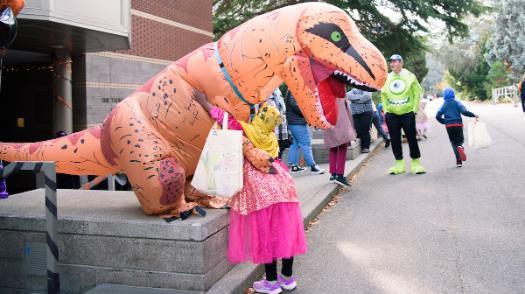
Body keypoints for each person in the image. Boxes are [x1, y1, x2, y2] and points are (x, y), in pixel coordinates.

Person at [192, 90, 307, 293]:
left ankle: (271, 283)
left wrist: (206, 103)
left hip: (261, 190)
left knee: (267, 236)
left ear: (259, 118)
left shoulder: (249, 131)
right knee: (285, 232)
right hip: (284, 186)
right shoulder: (271, 137)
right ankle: (287, 279)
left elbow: (226, 120)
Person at [381, 54, 426, 175]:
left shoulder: (410, 76)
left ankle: (415, 163)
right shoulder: (387, 77)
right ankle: (399, 164)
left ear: (401, 63)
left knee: (412, 138)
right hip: (392, 115)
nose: (392, 64)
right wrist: (386, 110)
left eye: (395, 61)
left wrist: (414, 109)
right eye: (391, 62)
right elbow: (383, 94)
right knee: (395, 139)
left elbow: (417, 93)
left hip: (407, 113)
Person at [319, 79, 356, 187]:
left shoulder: (323, 82)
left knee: (333, 146)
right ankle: (339, 175)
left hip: (329, 116)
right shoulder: (339, 82)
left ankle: (333, 174)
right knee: (342, 144)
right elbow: (344, 101)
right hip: (339, 115)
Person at [436, 87, 479, 167]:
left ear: (444, 95)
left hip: (449, 126)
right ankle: (461, 147)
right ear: (453, 94)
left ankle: (458, 161)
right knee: (460, 141)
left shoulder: (443, 105)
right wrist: (473, 115)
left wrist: (445, 122)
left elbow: (437, 116)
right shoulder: (457, 102)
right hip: (458, 124)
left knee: (453, 143)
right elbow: (464, 111)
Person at [284, 91, 325, 174]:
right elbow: (295, 105)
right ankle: (313, 166)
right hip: (298, 122)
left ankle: (294, 166)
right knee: (306, 143)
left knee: (295, 144)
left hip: (294, 121)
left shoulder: (292, 90)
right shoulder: (293, 90)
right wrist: (307, 111)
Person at [267, 88, 291, 159]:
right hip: (270, 124)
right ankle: (273, 165)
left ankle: (278, 164)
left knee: (281, 145)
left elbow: (282, 106)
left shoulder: (276, 89)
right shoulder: (264, 91)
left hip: (280, 124)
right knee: (272, 146)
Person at [347, 88, 374, 153]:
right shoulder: (353, 89)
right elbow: (348, 95)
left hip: (366, 111)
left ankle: (366, 147)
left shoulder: (367, 88)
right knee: (358, 130)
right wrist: (360, 98)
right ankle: (361, 147)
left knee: (365, 129)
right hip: (355, 113)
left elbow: (367, 96)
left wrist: (354, 99)